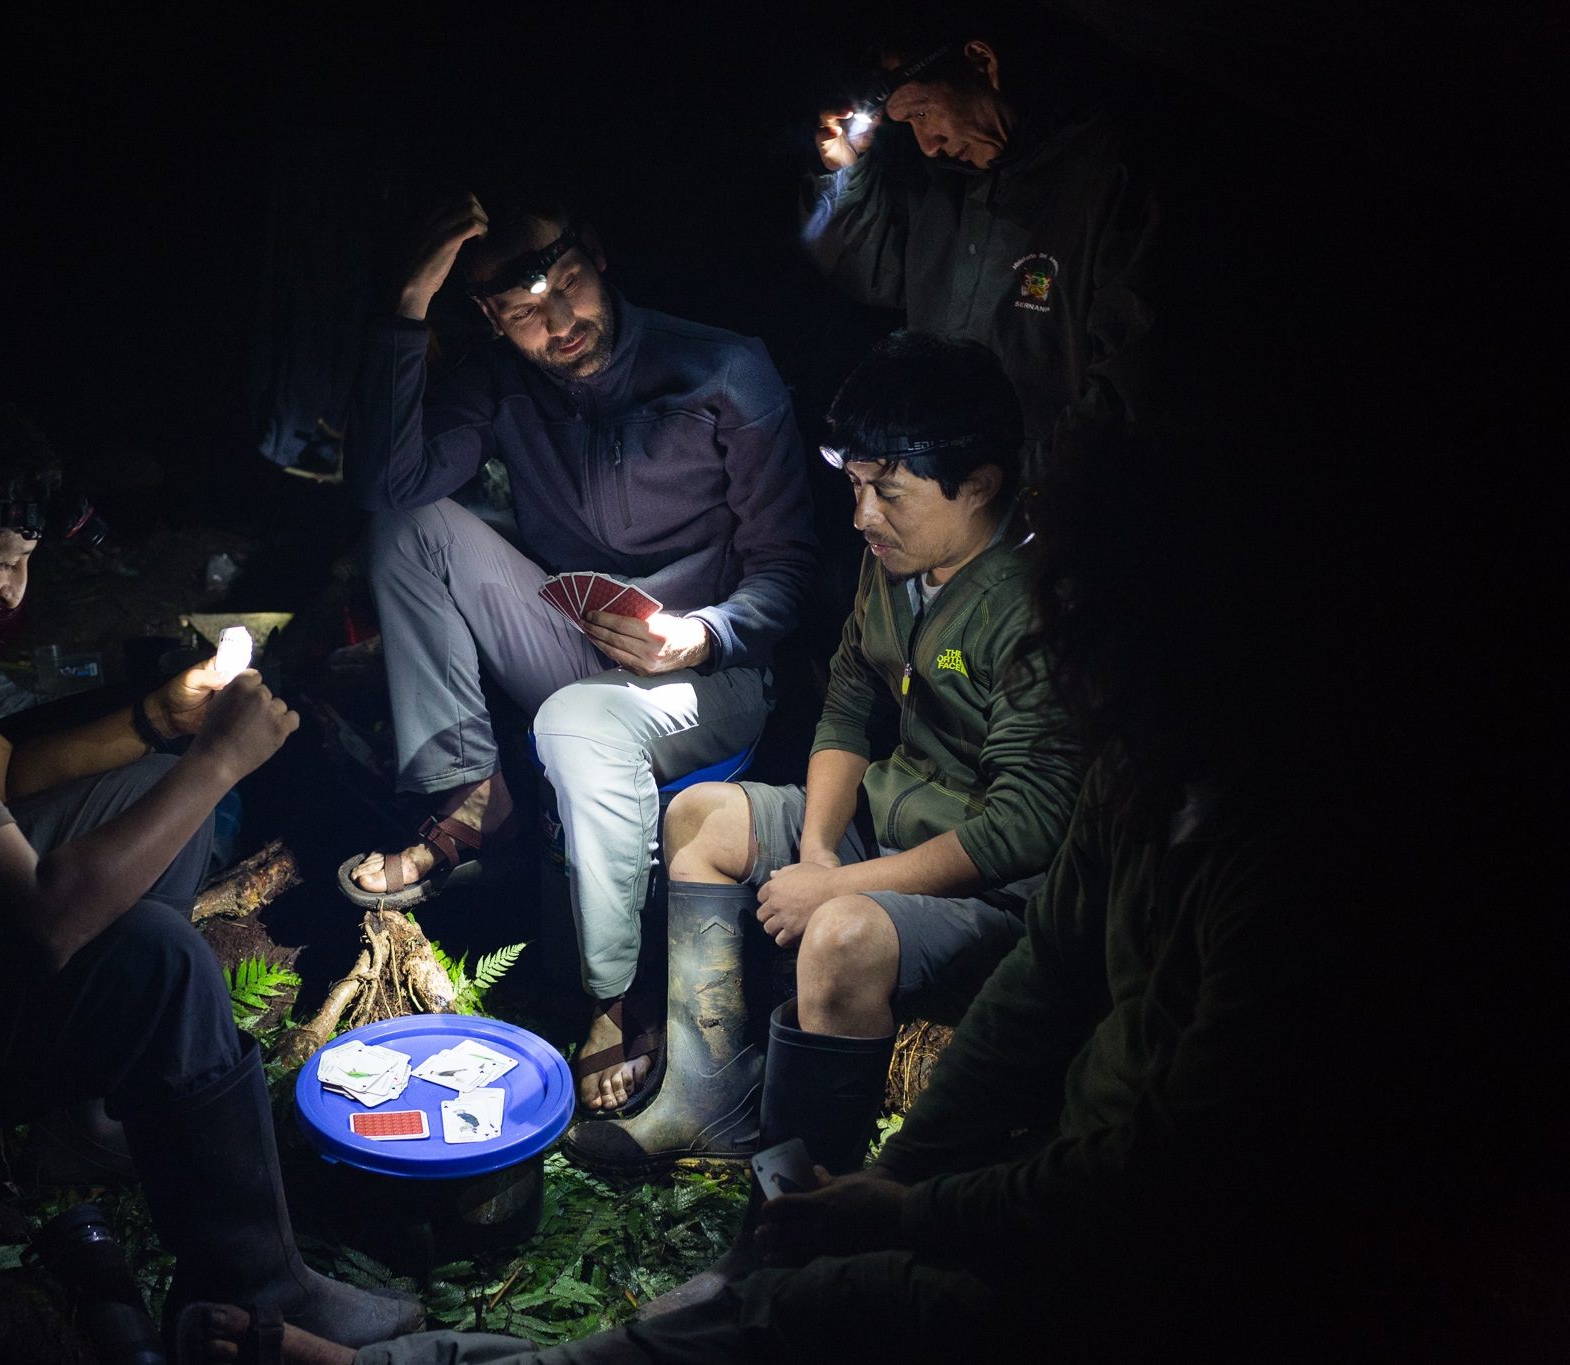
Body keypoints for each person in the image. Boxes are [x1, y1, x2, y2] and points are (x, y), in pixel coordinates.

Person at [171, 417, 1411, 1365]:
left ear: (1193, 633)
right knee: (708, 832)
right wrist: (896, 1183)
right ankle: (710, 1116)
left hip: (1132, 1266)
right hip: (1009, 1104)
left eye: (1088, 621)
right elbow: (1039, 991)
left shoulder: (1269, 865)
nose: (1060, 645)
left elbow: (1155, 1177)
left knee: (767, 1315)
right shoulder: (1140, 777)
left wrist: (913, 1211)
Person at [0, 390, 421, 1348]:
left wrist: (162, 722)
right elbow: (42, 920)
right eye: (3, 563)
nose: (15, 598)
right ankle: (260, 1288)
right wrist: (221, 764)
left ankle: (86, 1113)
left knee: (146, 790)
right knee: (156, 955)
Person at [339, 192, 816, 1113]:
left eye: (569, 285)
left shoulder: (723, 368)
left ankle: (616, 996)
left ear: (597, 255)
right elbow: (385, 481)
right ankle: (472, 790)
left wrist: (701, 633)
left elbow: (791, 569)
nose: (559, 323)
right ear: (485, 313)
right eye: (523, 310)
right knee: (409, 523)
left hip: (710, 666)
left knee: (577, 719)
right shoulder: (499, 381)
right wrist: (405, 305)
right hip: (575, 640)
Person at [564, 333, 1082, 1175]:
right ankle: (709, 1100)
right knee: (699, 816)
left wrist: (835, 886)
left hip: (994, 892)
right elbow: (846, 702)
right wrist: (812, 852)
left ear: (980, 485)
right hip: (886, 826)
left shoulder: (1035, 605)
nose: (861, 516)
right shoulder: (898, 561)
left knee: (840, 933)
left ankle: (809, 1188)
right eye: (854, 485)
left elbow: (1022, 829)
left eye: (888, 491)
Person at [801, 3, 1156, 471]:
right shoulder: (945, 182)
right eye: (909, 124)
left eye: (924, 111)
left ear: (982, 63)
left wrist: (1039, 496)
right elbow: (875, 274)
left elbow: (1131, 375)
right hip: (942, 486)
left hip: (1039, 494)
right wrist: (845, 176)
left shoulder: (1104, 176)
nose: (927, 142)